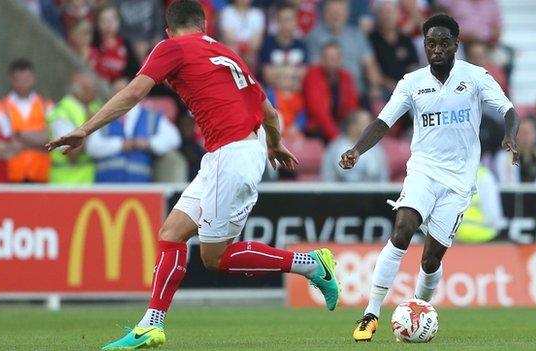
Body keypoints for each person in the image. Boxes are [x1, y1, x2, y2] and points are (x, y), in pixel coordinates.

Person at [46, 1, 340, 349]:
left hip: (231, 156)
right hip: (232, 153)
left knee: (214, 258)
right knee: (171, 233)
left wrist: (85, 129)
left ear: (169, 30)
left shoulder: (171, 47)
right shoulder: (228, 54)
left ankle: (311, 264)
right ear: (203, 25)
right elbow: (270, 113)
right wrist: (274, 145)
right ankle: (151, 325)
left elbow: (134, 92)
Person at [339, 14, 519, 341]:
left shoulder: (476, 76)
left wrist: (510, 136)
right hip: (423, 169)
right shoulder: (411, 82)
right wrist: (356, 150)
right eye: (430, 43)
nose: (436, 49)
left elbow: (509, 110)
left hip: (458, 182)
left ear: (455, 45)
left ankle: (418, 309)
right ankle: (371, 313)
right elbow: (383, 121)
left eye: (443, 43)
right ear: (424, 45)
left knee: (431, 258)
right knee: (404, 228)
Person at [85, 78, 181, 183]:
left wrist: (149, 143)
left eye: (123, 91)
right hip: (107, 188)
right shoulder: (102, 117)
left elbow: (174, 139)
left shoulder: (150, 116)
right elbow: (92, 147)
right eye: (116, 92)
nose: (120, 96)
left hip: (139, 187)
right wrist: (120, 145)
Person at [306, 0, 382, 99]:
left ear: (347, 14)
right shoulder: (315, 36)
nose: (335, 17)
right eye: (332, 13)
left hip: (358, 92)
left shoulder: (357, 35)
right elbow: (315, 68)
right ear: (324, 13)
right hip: (330, 93)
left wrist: (374, 86)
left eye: (339, 13)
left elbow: (370, 65)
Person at [0, 59, 52, 183]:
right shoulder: (0, 108)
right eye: (19, 79)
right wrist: (38, 142)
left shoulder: (46, 106)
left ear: (33, 78)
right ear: (11, 80)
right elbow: (2, 142)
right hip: (11, 177)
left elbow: (52, 138)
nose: (23, 83)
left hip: (40, 175)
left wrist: (18, 135)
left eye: (26, 79)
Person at [47, 72, 100, 184]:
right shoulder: (62, 112)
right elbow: (70, 153)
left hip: (88, 181)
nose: (95, 92)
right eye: (89, 89)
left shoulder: (94, 106)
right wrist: (89, 124)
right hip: (64, 183)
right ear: (78, 91)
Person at [302, 42, 359, 142]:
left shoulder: (347, 77)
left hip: (341, 124)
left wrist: (353, 130)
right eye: (328, 58)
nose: (331, 61)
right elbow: (318, 111)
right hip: (318, 127)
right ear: (322, 60)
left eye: (335, 58)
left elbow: (352, 107)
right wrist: (336, 136)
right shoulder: (312, 75)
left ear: (340, 59)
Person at [321, 109, 389, 182]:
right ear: (352, 126)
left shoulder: (376, 148)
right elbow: (328, 176)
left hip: (370, 192)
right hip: (342, 192)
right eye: (365, 123)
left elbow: (383, 177)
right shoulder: (335, 147)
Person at [369, 1, 419, 96]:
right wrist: (394, 86)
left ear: (397, 16)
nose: (388, 17)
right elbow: (373, 72)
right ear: (378, 16)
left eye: (391, 13)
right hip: (383, 88)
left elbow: (413, 67)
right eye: (384, 13)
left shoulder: (405, 39)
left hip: (406, 89)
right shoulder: (371, 39)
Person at [259, 2, 308, 86]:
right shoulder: (267, 44)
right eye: (283, 20)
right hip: (273, 94)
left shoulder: (302, 45)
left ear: (295, 21)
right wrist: (292, 75)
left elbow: (303, 75)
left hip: (296, 94)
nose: (286, 24)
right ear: (277, 22)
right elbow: (268, 77)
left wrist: (278, 73)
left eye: (290, 19)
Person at [495, 118, 536, 185]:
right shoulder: (504, 157)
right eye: (521, 133)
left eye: (527, 133)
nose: (525, 137)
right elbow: (507, 186)